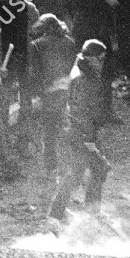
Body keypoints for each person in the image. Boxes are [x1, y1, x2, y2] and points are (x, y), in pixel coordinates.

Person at [48, 39, 109, 221]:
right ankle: (60, 216)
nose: (102, 63)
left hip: (78, 131)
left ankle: (63, 214)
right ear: (91, 59)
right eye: (100, 59)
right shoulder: (83, 78)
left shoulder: (83, 70)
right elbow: (80, 111)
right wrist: (89, 139)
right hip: (79, 134)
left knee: (88, 171)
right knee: (85, 172)